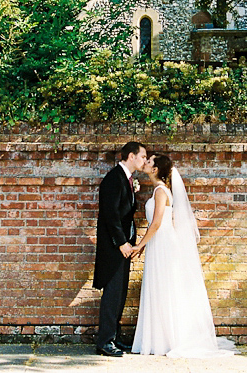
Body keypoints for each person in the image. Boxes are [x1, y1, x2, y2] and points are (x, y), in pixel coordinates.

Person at [130, 153, 235, 357]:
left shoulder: (161, 191)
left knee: (164, 288)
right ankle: (162, 339)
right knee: (162, 288)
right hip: (159, 242)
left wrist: (140, 244)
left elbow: (158, 222)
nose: (146, 162)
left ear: (155, 169)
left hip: (163, 243)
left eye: (149, 161)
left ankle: (168, 340)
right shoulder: (159, 191)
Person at [93, 141, 147, 357]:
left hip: (123, 247)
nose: (144, 160)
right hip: (115, 247)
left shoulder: (127, 179)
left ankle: (113, 337)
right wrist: (122, 242)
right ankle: (104, 342)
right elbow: (110, 214)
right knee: (112, 294)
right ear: (131, 156)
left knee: (120, 293)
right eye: (143, 156)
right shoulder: (114, 179)